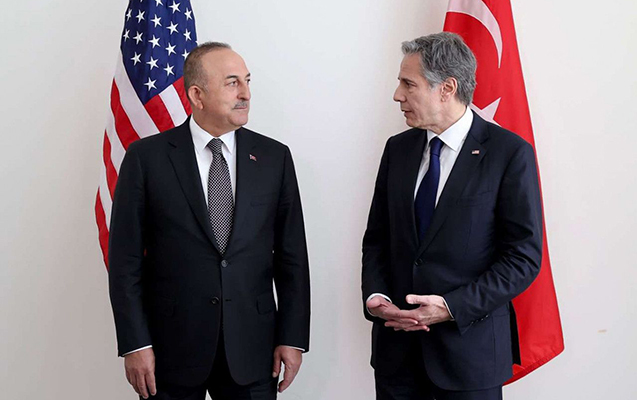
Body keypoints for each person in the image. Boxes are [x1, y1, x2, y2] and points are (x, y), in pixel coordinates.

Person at [109, 42, 310, 400]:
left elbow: (292, 257)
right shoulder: (146, 158)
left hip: (253, 349)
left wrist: (292, 338)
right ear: (197, 95)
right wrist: (135, 343)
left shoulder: (274, 157)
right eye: (232, 83)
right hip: (169, 352)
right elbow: (125, 262)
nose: (246, 93)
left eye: (247, 81)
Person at [362, 32, 543, 400]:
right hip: (397, 357)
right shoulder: (397, 149)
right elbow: (378, 239)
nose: (397, 95)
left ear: (446, 88)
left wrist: (450, 308)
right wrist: (376, 297)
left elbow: (523, 258)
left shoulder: (508, 154)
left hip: (469, 358)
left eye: (408, 84)